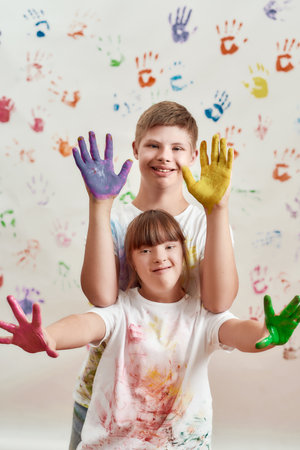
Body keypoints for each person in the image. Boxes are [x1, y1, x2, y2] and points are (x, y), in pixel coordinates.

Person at [0, 210, 299, 449]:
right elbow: (85, 324)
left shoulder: (201, 316)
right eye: (145, 250)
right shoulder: (122, 310)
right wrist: (48, 336)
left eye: (169, 246)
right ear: (130, 260)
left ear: (183, 254)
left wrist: (265, 335)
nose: (159, 256)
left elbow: (237, 331)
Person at [70, 101, 239, 447]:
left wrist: (216, 210)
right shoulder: (114, 220)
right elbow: (101, 297)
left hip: (176, 403)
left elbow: (218, 302)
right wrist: (99, 205)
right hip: (104, 398)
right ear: (135, 149)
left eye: (177, 148)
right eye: (153, 145)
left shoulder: (205, 223)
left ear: (193, 156)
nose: (165, 156)